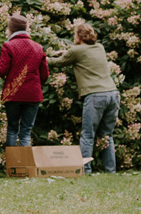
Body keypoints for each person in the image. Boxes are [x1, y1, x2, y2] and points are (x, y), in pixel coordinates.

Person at [47, 22, 120, 174]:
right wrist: (64, 52)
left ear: (79, 36)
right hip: (113, 93)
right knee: (107, 135)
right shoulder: (99, 47)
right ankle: (110, 171)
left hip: (95, 95)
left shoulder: (76, 50)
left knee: (88, 134)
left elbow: (58, 63)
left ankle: (85, 170)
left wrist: (42, 58)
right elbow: (78, 54)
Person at [0, 14, 48, 147]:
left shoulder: (9, 46)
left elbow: (0, 71)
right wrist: (35, 85)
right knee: (26, 131)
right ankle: (25, 166)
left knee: (12, 129)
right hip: (33, 94)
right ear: (26, 28)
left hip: (13, 94)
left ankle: (12, 165)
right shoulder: (38, 47)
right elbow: (44, 75)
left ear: (10, 30)